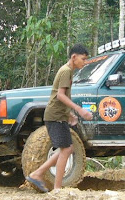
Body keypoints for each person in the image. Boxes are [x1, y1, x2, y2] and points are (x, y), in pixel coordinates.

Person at [26, 44, 94, 192]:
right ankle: (56, 188)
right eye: (83, 59)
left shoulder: (68, 72)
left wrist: (69, 114)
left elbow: (58, 96)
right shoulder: (66, 71)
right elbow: (60, 95)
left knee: (66, 149)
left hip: (58, 116)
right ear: (74, 57)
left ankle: (38, 174)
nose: (85, 62)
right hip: (55, 116)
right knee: (67, 149)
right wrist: (79, 110)